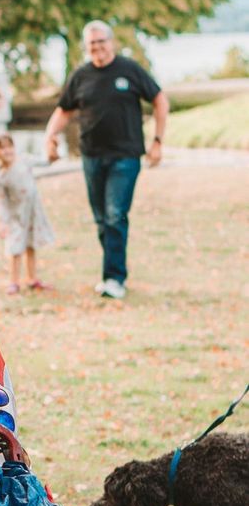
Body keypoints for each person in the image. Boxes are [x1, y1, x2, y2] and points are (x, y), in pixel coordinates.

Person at [44, 20, 168, 299]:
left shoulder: (129, 69)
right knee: (102, 219)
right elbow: (64, 110)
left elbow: (160, 100)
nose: (97, 47)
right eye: (92, 43)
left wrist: (158, 141)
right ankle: (112, 273)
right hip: (91, 156)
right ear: (86, 47)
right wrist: (50, 137)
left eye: (101, 41)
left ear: (111, 42)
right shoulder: (81, 75)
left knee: (114, 215)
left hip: (125, 156)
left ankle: (114, 278)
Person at [0, 133, 55, 294]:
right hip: (17, 217)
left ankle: (32, 279)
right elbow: (3, 202)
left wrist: (52, 151)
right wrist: (3, 222)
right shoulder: (2, 176)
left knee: (31, 246)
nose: (7, 150)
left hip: (33, 213)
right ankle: (13, 282)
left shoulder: (24, 160)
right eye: (2, 148)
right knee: (16, 249)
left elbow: (45, 161)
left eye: (9, 146)